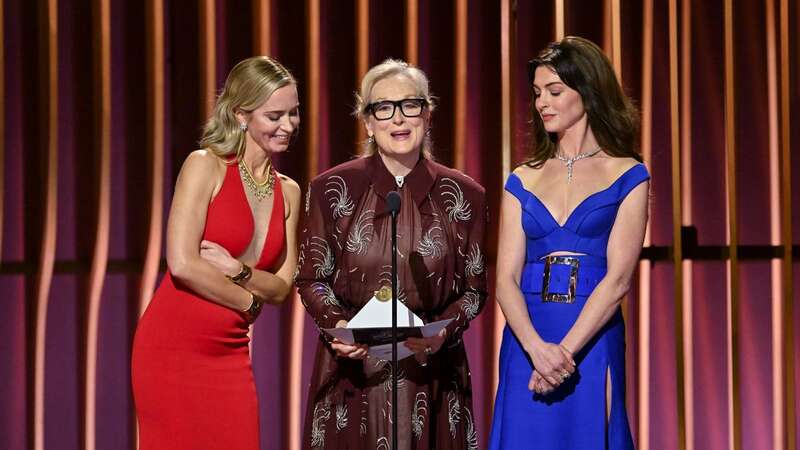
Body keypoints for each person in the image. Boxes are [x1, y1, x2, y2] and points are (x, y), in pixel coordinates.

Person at [296, 59, 487, 450]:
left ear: (427, 114)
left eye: (410, 105)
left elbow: (475, 289)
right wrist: (341, 327)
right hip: (352, 376)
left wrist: (443, 332)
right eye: (383, 108)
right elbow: (311, 277)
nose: (398, 118)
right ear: (367, 122)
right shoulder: (332, 189)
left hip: (432, 377)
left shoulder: (465, 195)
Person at [131, 56, 301, 450]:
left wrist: (239, 270)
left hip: (231, 353)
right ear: (241, 114)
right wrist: (248, 301)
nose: (288, 126)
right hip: (171, 348)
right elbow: (183, 263)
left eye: (293, 113)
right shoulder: (205, 165)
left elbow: (281, 289)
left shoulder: (289, 192)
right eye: (274, 115)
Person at [489, 36, 649, 449]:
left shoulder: (630, 175)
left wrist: (562, 354)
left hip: (591, 337)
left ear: (589, 92)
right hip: (527, 340)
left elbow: (618, 280)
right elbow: (505, 278)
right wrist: (537, 350)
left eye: (555, 91)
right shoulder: (522, 177)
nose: (542, 102)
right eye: (537, 93)